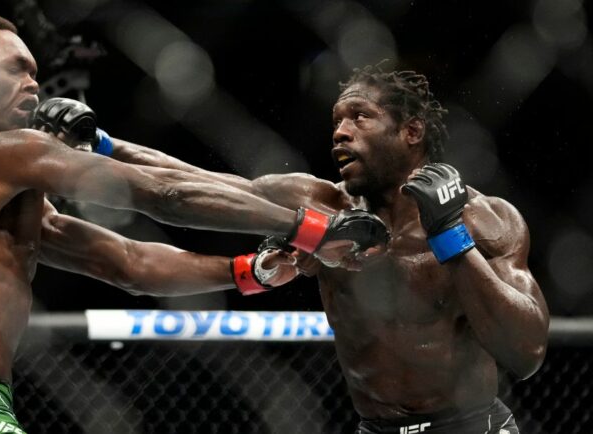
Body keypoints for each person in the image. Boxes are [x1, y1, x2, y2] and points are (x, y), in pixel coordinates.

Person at [0, 16, 383, 434]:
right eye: (13, 70)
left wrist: (247, 271)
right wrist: (312, 229)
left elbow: (129, 263)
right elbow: (159, 193)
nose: (32, 83)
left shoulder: (3, 209)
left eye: (34, 72)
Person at [105, 65, 549, 433]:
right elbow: (194, 182)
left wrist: (451, 237)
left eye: (360, 116)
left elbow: (526, 353)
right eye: (336, 120)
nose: (340, 132)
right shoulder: (320, 208)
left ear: (411, 131)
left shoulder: (486, 219)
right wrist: (104, 145)